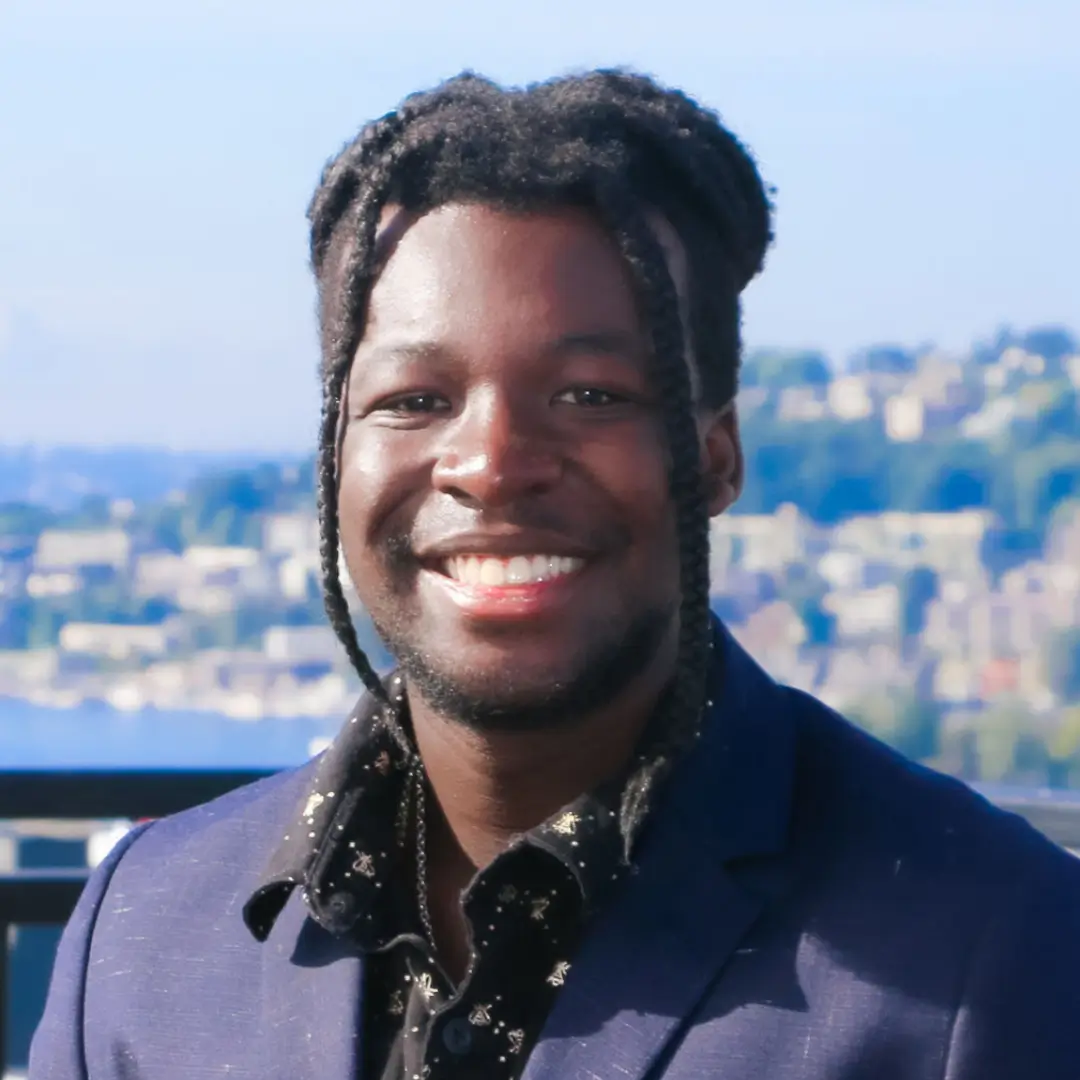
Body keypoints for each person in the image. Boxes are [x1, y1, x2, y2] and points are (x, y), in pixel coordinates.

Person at [30, 69, 1080, 1080]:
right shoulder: (141, 932)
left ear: (715, 457)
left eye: (589, 395)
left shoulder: (992, 951)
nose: (489, 464)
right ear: (334, 455)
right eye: (413, 400)